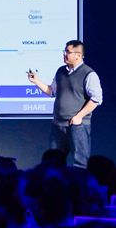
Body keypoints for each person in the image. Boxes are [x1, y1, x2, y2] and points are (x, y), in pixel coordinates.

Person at [28, 40, 103, 168]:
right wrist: (36, 81)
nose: (64, 54)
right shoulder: (61, 71)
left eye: (68, 52)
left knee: (80, 162)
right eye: (65, 51)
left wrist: (79, 116)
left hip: (77, 126)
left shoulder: (89, 74)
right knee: (53, 162)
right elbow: (51, 91)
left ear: (78, 55)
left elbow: (96, 99)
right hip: (58, 125)